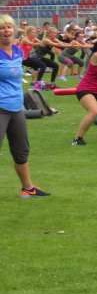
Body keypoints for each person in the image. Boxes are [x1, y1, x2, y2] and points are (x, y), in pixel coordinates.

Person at [0, 15, 50, 198]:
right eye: (2, 28)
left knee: (21, 150)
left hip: (16, 108)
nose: (6, 31)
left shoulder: (18, 51)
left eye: (9, 27)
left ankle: (27, 188)